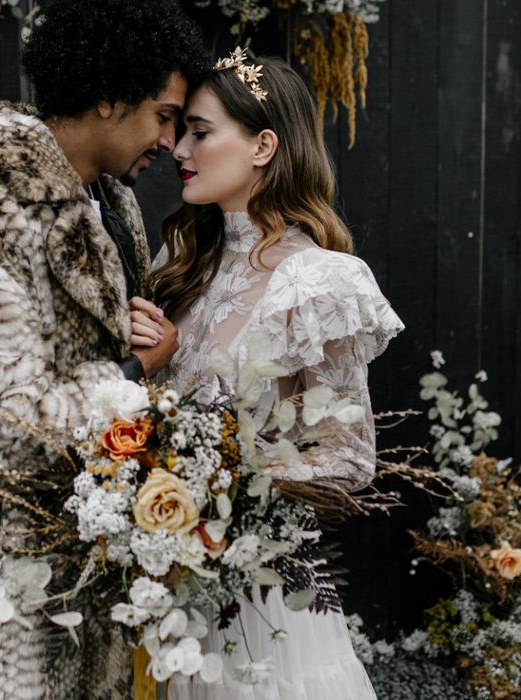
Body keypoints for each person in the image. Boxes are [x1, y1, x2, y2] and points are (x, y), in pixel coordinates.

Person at [0, 2, 208, 698]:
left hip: (86, 581)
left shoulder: (111, 202)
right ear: (107, 94)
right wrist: (132, 375)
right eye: (163, 114)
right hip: (3, 600)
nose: (169, 139)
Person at [134, 52, 404, 699]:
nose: (178, 147)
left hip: (264, 600)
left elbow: (348, 458)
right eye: (180, 131)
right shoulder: (181, 262)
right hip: (170, 587)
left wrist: (225, 481)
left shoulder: (318, 282)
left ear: (263, 144)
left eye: (201, 131)